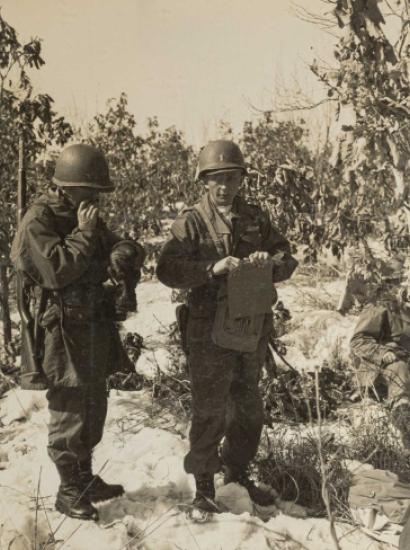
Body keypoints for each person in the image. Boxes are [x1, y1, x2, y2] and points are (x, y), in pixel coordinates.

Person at [156, 139, 298, 512]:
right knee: (209, 409)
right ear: (204, 181)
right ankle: (204, 485)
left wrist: (270, 262)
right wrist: (209, 269)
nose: (224, 186)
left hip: (248, 327)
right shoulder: (191, 221)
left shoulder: (255, 217)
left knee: (249, 407)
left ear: (241, 180)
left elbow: (288, 257)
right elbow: (167, 270)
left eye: (231, 178)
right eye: (217, 179)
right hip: (207, 330)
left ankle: (237, 471)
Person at [11, 144, 144, 521]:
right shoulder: (39, 219)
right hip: (60, 330)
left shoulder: (82, 214)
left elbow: (119, 242)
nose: (96, 200)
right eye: (91, 191)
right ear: (69, 187)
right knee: (70, 407)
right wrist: (85, 235)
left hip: (92, 323)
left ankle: (84, 479)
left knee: (93, 404)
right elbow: (55, 270)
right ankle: (68, 490)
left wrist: (122, 253)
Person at [350, 264, 410, 450]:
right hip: (379, 369)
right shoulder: (382, 305)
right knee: (399, 368)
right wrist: (383, 354)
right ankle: (406, 435)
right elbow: (359, 340)